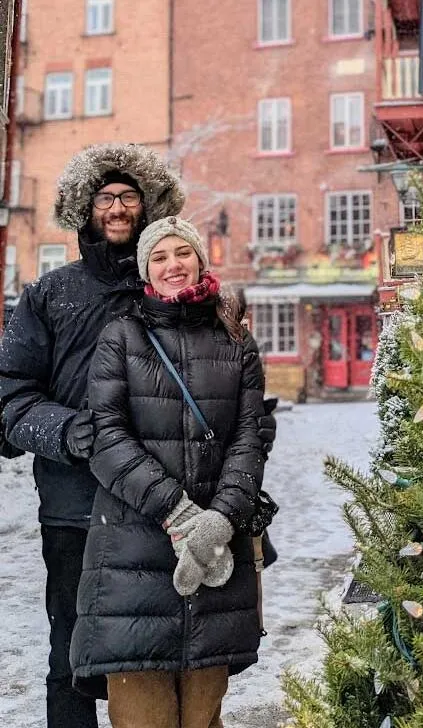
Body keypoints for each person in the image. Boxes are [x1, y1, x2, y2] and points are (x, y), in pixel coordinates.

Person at [0, 144, 276, 728]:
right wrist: (73, 432)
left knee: (185, 655)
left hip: (190, 503)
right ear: (85, 207)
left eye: (129, 196)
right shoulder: (53, 294)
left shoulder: (193, 298)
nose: (119, 207)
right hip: (81, 507)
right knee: (75, 656)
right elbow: (9, 396)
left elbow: (243, 409)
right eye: (106, 197)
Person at [71, 216, 272, 728]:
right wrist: (178, 513)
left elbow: (250, 438)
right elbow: (107, 438)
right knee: (142, 712)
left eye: (182, 253)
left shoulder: (235, 342)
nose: (172, 265)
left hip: (217, 547)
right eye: (158, 258)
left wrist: (221, 518)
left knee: (204, 713)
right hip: (133, 551)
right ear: (146, 272)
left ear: (200, 260)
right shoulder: (121, 336)